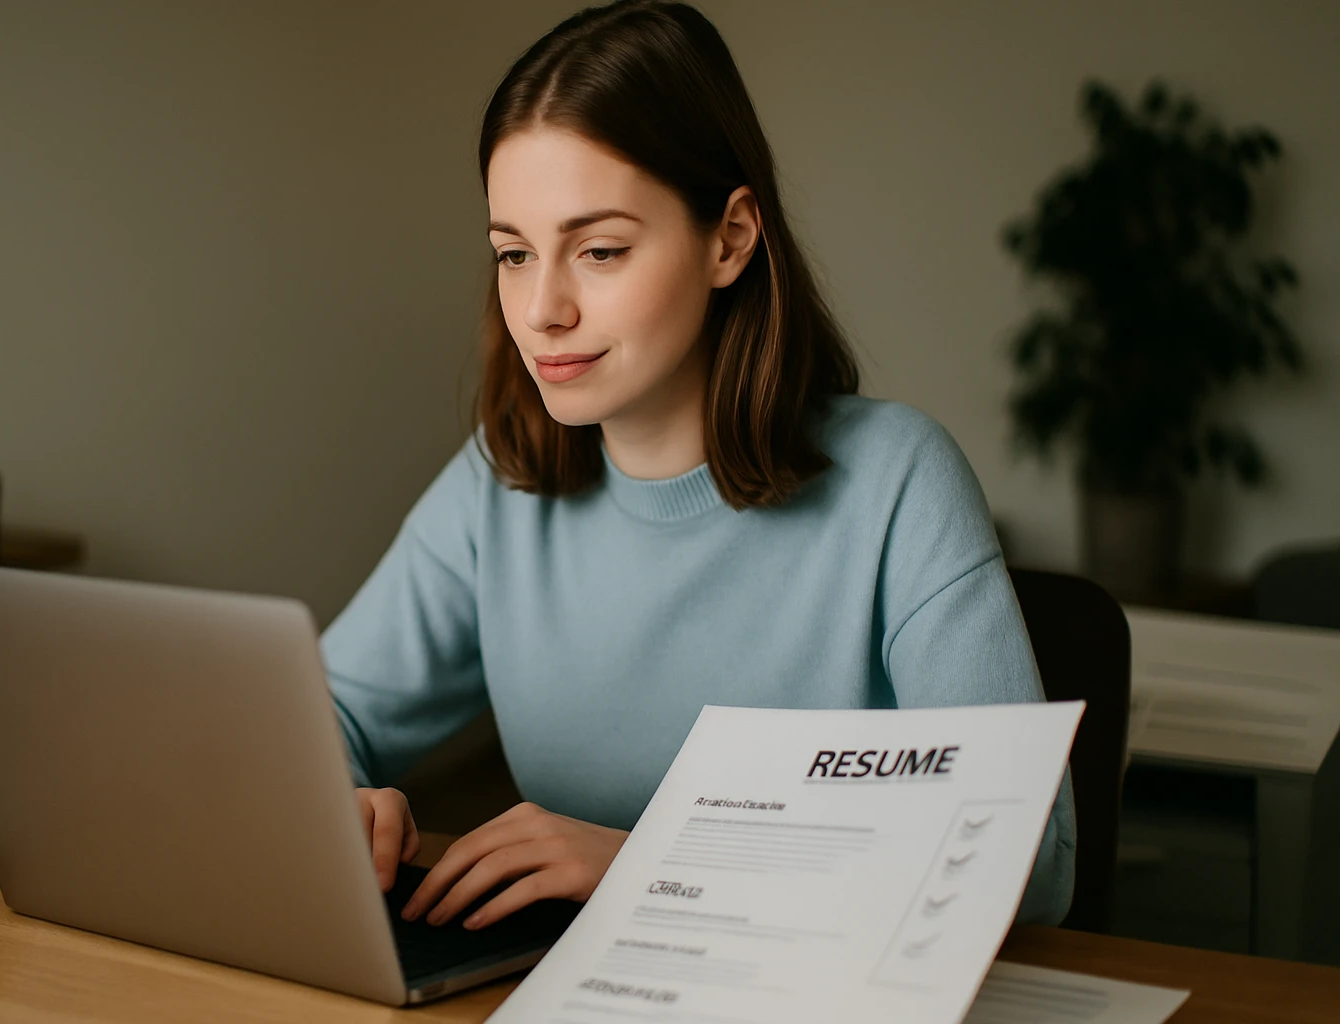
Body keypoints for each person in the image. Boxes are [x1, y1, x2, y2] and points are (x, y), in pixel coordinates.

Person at [323, 0, 1076, 934]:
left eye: (598, 250)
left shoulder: (897, 481)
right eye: (514, 254)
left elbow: (1031, 867)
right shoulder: (499, 483)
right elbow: (316, 716)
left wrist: (650, 865)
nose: (542, 309)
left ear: (729, 238)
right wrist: (340, 803)